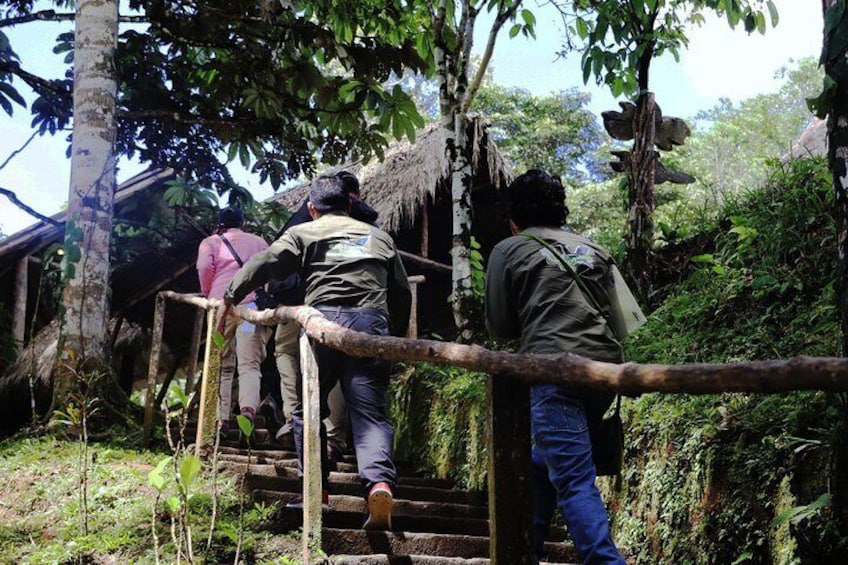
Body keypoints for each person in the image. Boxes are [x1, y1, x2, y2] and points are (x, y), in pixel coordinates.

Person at [223, 174, 411, 530]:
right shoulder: (380, 237)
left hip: (321, 322)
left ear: (311, 208)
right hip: (371, 326)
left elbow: (265, 263)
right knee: (370, 413)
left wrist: (230, 295)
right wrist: (393, 337)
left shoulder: (304, 232)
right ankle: (379, 484)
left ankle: (316, 489)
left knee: (307, 409)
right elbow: (401, 293)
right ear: (351, 204)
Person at [485, 169, 627, 564]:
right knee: (544, 458)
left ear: (514, 219)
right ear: (561, 211)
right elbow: (624, 322)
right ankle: (522, 550)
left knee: (574, 479)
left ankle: (605, 561)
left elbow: (500, 326)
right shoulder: (594, 249)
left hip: (553, 372)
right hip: (604, 374)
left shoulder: (509, 250)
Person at [271, 170, 379, 467]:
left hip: (298, 298)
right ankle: (332, 438)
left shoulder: (302, 216)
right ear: (349, 196)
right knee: (338, 363)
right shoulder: (359, 218)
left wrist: (234, 295)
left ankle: (299, 423)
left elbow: (270, 261)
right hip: (335, 301)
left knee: (297, 356)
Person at [196, 207, 271, 431]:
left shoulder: (211, 243)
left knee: (221, 363)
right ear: (243, 223)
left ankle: (221, 417)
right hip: (249, 309)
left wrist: (209, 292)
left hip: (220, 310)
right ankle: (248, 410)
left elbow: (204, 267)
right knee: (249, 364)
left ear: (220, 224)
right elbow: (268, 269)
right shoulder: (259, 242)